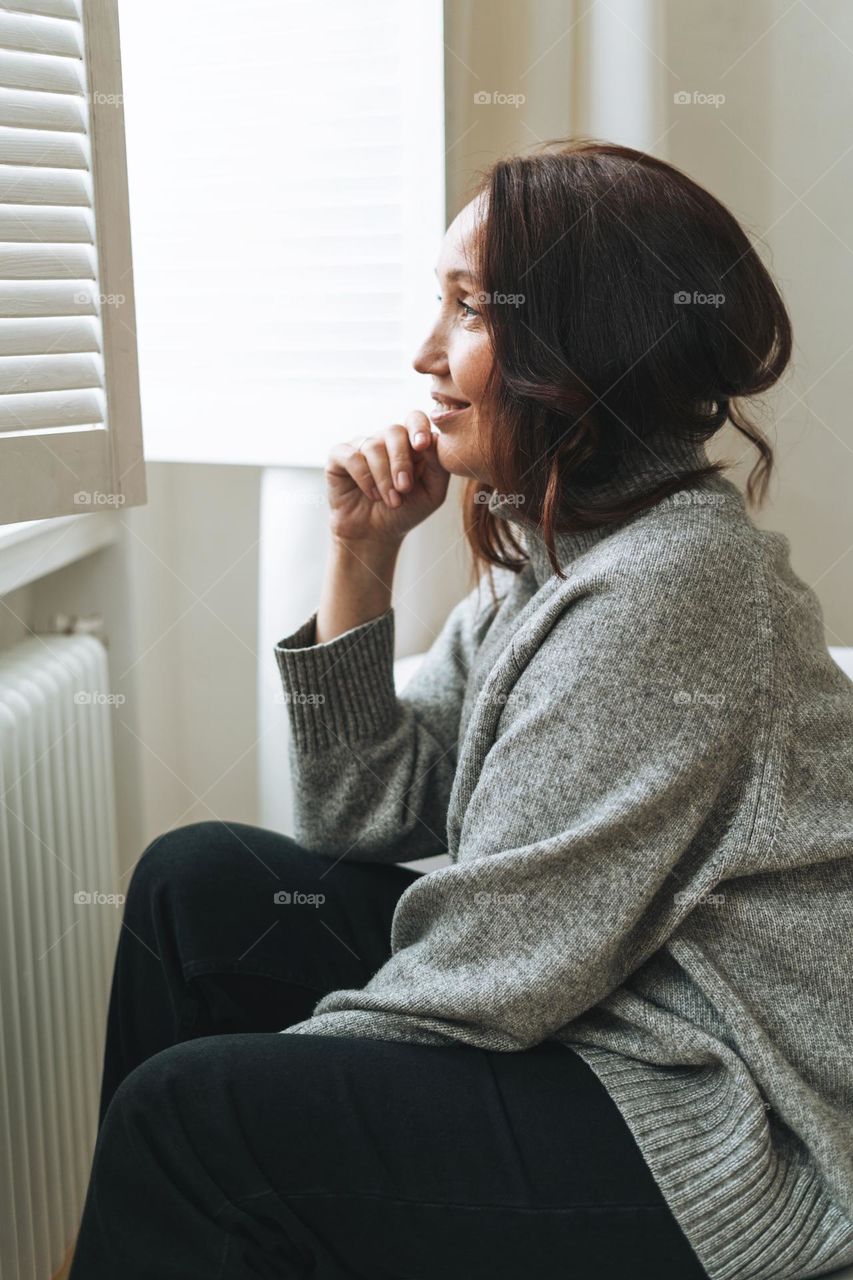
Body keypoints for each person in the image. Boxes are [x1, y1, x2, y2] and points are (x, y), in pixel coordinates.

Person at [68, 140, 853, 1280]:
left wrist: (261, 1101)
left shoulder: (667, 593)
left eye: (467, 310)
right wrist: (362, 555)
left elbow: (488, 977)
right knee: (196, 887)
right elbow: (364, 815)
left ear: (578, 348)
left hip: (720, 1113)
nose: (425, 353)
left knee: (192, 1118)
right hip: (601, 1015)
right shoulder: (563, 547)